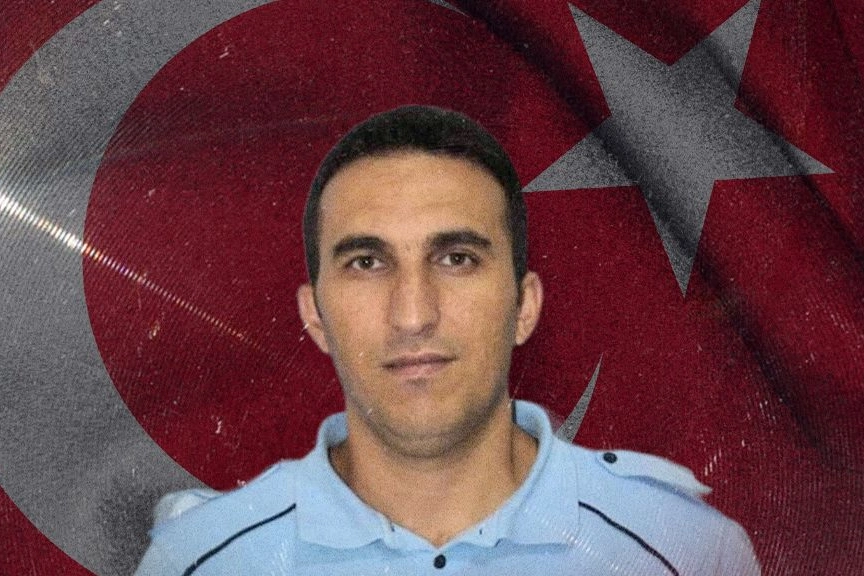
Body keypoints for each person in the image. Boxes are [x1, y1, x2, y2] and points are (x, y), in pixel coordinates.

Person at [134, 105, 760, 575]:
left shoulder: (684, 550)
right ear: (315, 316)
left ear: (524, 306)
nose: (413, 315)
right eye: (366, 263)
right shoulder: (200, 561)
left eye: (457, 259)